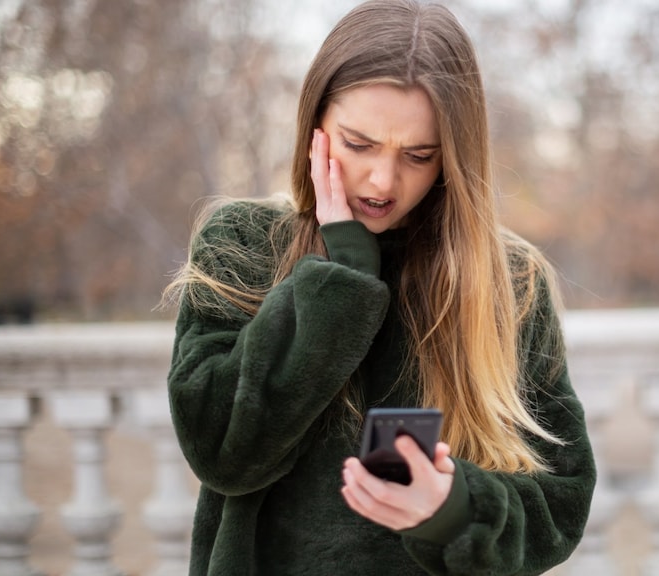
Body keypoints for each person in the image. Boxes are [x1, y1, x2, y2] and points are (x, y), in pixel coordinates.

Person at [164, 0, 596, 574]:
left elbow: (559, 502)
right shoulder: (243, 243)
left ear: (452, 159)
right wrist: (340, 277)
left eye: (418, 155)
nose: (383, 180)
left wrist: (453, 510)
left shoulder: (509, 282)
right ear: (315, 127)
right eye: (360, 143)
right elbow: (222, 452)